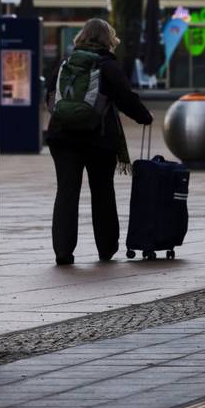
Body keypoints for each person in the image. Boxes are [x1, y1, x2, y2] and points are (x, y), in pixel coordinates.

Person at [46, 17, 153, 266]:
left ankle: (63, 251)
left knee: (66, 192)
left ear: (81, 36)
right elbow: (126, 97)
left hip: (62, 137)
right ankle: (106, 248)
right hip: (99, 138)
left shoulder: (65, 63)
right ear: (108, 40)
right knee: (102, 192)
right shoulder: (107, 65)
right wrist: (144, 117)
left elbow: (50, 97)